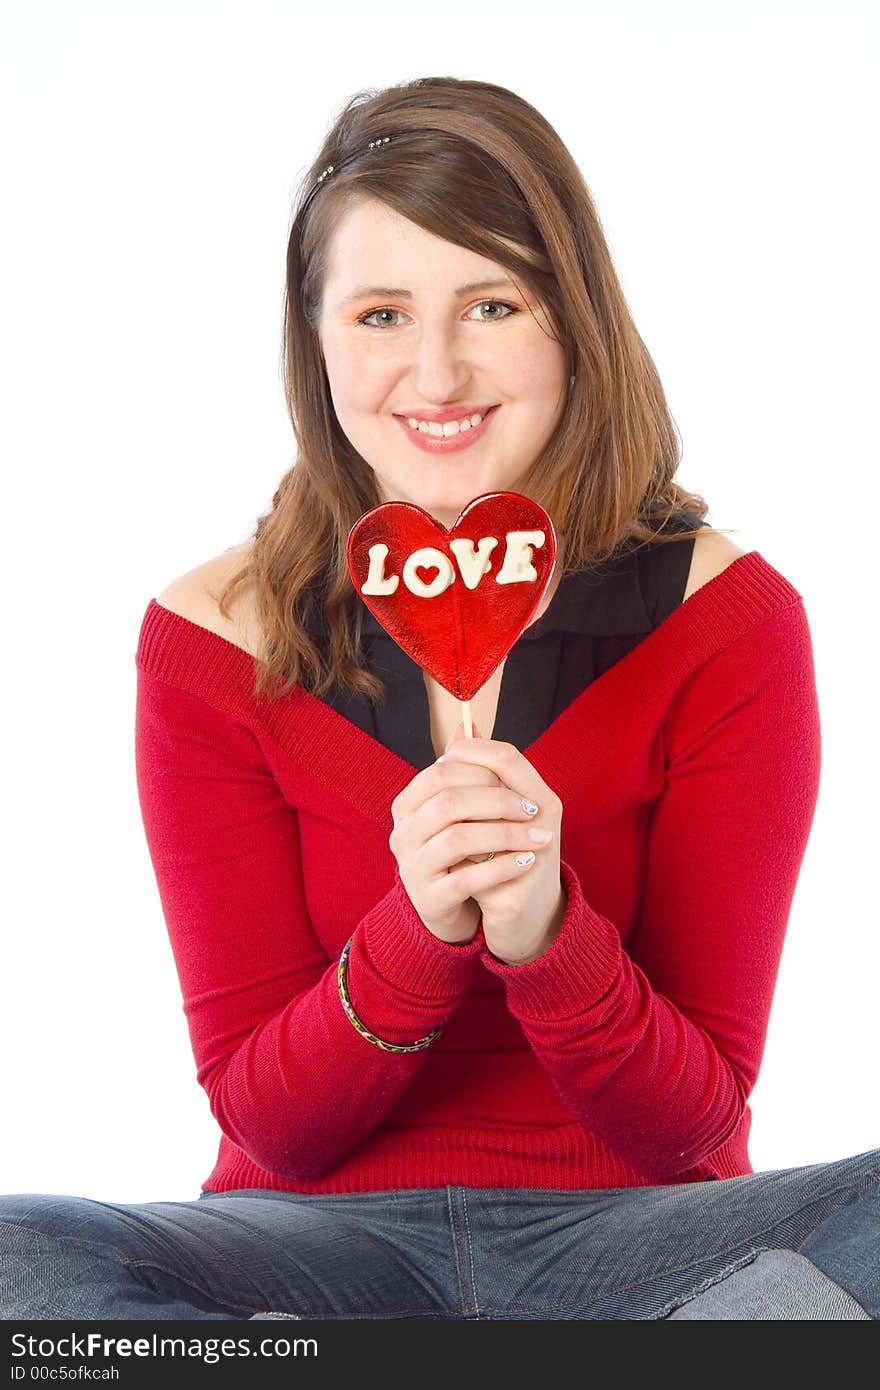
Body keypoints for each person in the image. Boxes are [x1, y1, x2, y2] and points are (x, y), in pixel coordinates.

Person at [1, 75, 877, 1323]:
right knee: (20, 1259)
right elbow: (273, 1126)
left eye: (491, 302)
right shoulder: (212, 638)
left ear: (570, 320)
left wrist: (542, 929)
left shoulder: (723, 621)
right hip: (305, 1247)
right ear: (316, 340)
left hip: (646, 1238)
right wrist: (421, 929)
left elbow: (692, 1125)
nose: (436, 368)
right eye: (378, 314)